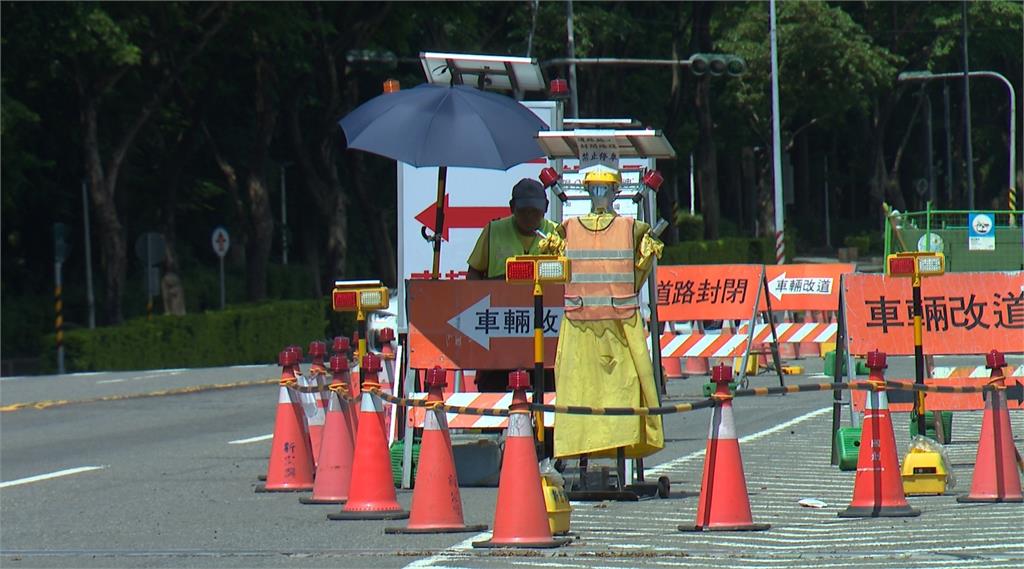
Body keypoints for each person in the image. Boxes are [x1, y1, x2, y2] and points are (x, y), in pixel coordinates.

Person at [539, 167, 665, 460]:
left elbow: (641, 267)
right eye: (594, 187)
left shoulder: (631, 229)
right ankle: (589, 450)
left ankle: (617, 448)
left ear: (616, 192)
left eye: (604, 187)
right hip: (589, 326)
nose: (599, 194)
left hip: (616, 328)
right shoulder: (569, 229)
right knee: (586, 392)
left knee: (617, 392)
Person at [466, 178, 559, 392]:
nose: (529, 217)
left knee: (548, 398)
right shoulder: (494, 231)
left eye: (535, 211)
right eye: (523, 210)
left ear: (545, 208)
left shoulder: (556, 234)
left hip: (544, 336)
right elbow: (473, 274)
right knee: (494, 398)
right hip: (500, 334)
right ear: (512, 208)